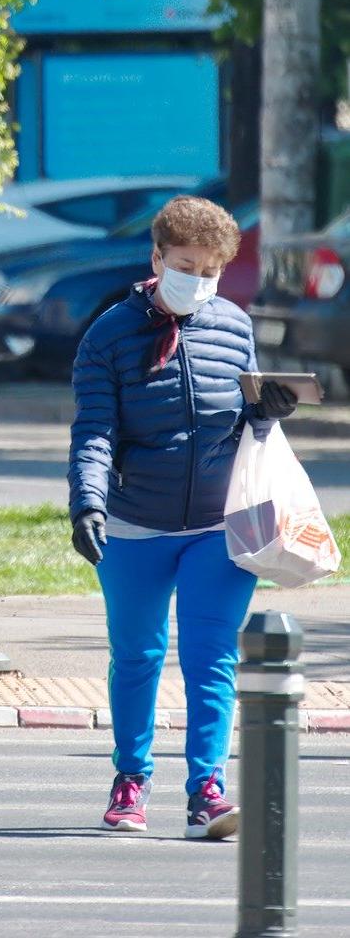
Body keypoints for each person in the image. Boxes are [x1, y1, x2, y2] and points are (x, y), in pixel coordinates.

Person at [69, 195, 297, 840]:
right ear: (157, 258)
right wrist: (86, 501)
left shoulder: (233, 324)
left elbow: (248, 420)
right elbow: (92, 432)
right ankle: (131, 779)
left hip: (218, 525)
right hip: (136, 523)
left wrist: (270, 408)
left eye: (209, 270)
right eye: (184, 264)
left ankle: (208, 789)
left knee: (211, 656)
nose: (196, 279)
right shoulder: (109, 334)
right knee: (138, 654)